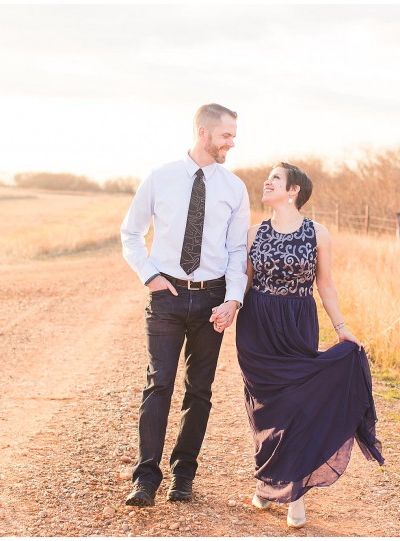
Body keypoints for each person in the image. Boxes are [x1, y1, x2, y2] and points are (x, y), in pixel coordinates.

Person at [235, 162, 384, 528]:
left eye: (275, 179)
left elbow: (326, 285)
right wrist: (228, 308)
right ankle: (269, 480)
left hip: (298, 322)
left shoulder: (318, 233)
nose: (267, 183)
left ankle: (294, 494)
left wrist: (341, 328)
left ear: (294, 191)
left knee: (296, 406)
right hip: (257, 327)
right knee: (265, 409)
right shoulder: (254, 233)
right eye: (267, 178)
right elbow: (244, 281)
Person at [120, 103, 250, 506]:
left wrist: (232, 299)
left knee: (200, 391)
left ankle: (183, 477)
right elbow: (130, 233)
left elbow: (237, 250)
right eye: (226, 135)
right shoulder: (161, 177)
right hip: (167, 298)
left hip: (212, 299)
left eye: (233, 135)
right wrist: (151, 276)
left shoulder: (235, 188)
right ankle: (145, 479)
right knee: (159, 383)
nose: (232, 142)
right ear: (203, 132)